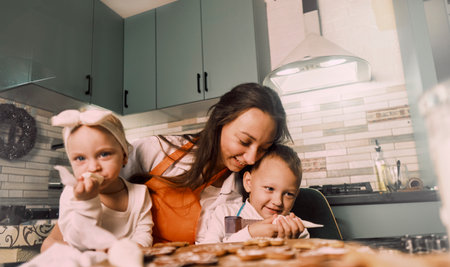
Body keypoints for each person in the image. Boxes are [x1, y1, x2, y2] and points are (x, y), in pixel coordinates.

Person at [41, 82, 290, 250]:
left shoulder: (240, 189)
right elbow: (85, 206)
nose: (251, 158)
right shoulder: (154, 151)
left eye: (264, 148)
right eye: (244, 141)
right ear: (219, 121)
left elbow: (223, 244)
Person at [49, 109, 153, 251]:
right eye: (80, 158)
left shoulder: (140, 194)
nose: (93, 168)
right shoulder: (72, 194)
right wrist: (86, 203)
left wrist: (126, 252)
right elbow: (76, 242)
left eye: (104, 154)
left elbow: (144, 235)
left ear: (124, 156)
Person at [198, 144, 309, 244]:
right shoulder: (225, 214)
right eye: (270, 188)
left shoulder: (297, 228)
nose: (278, 201)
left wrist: (289, 244)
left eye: (289, 194)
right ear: (248, 183)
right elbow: (207, 251)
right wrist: (249, 234)